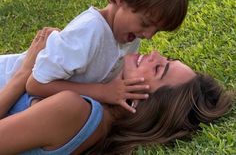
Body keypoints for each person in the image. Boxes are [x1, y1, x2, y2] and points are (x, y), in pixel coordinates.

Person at [0, 0, 188, 112]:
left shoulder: (129, 38)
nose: (147, 35)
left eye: (156, 31)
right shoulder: (89, 31)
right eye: (145, 23)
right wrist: (102, 92)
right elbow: (36, 84)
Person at [0, 29, 233, 154]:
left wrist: (24, 72)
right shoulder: (93, 116)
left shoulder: (73, 110)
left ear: (141, 104)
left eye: (160, 68)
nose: (154, 54)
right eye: (167, 58)